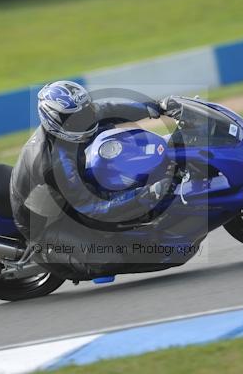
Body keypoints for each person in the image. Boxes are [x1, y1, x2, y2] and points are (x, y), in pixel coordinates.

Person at [10, 80, 182, 278]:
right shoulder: (55, 163)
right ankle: (53, 257)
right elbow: (92, 208)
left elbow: (106, 110)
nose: (85, 119)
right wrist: (148, 194)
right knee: (109, 259)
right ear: (54, 120)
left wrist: (155, 107)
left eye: (86, 111)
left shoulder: (77, 118)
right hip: (47, 224)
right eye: (76, 118)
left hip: (67, 197)